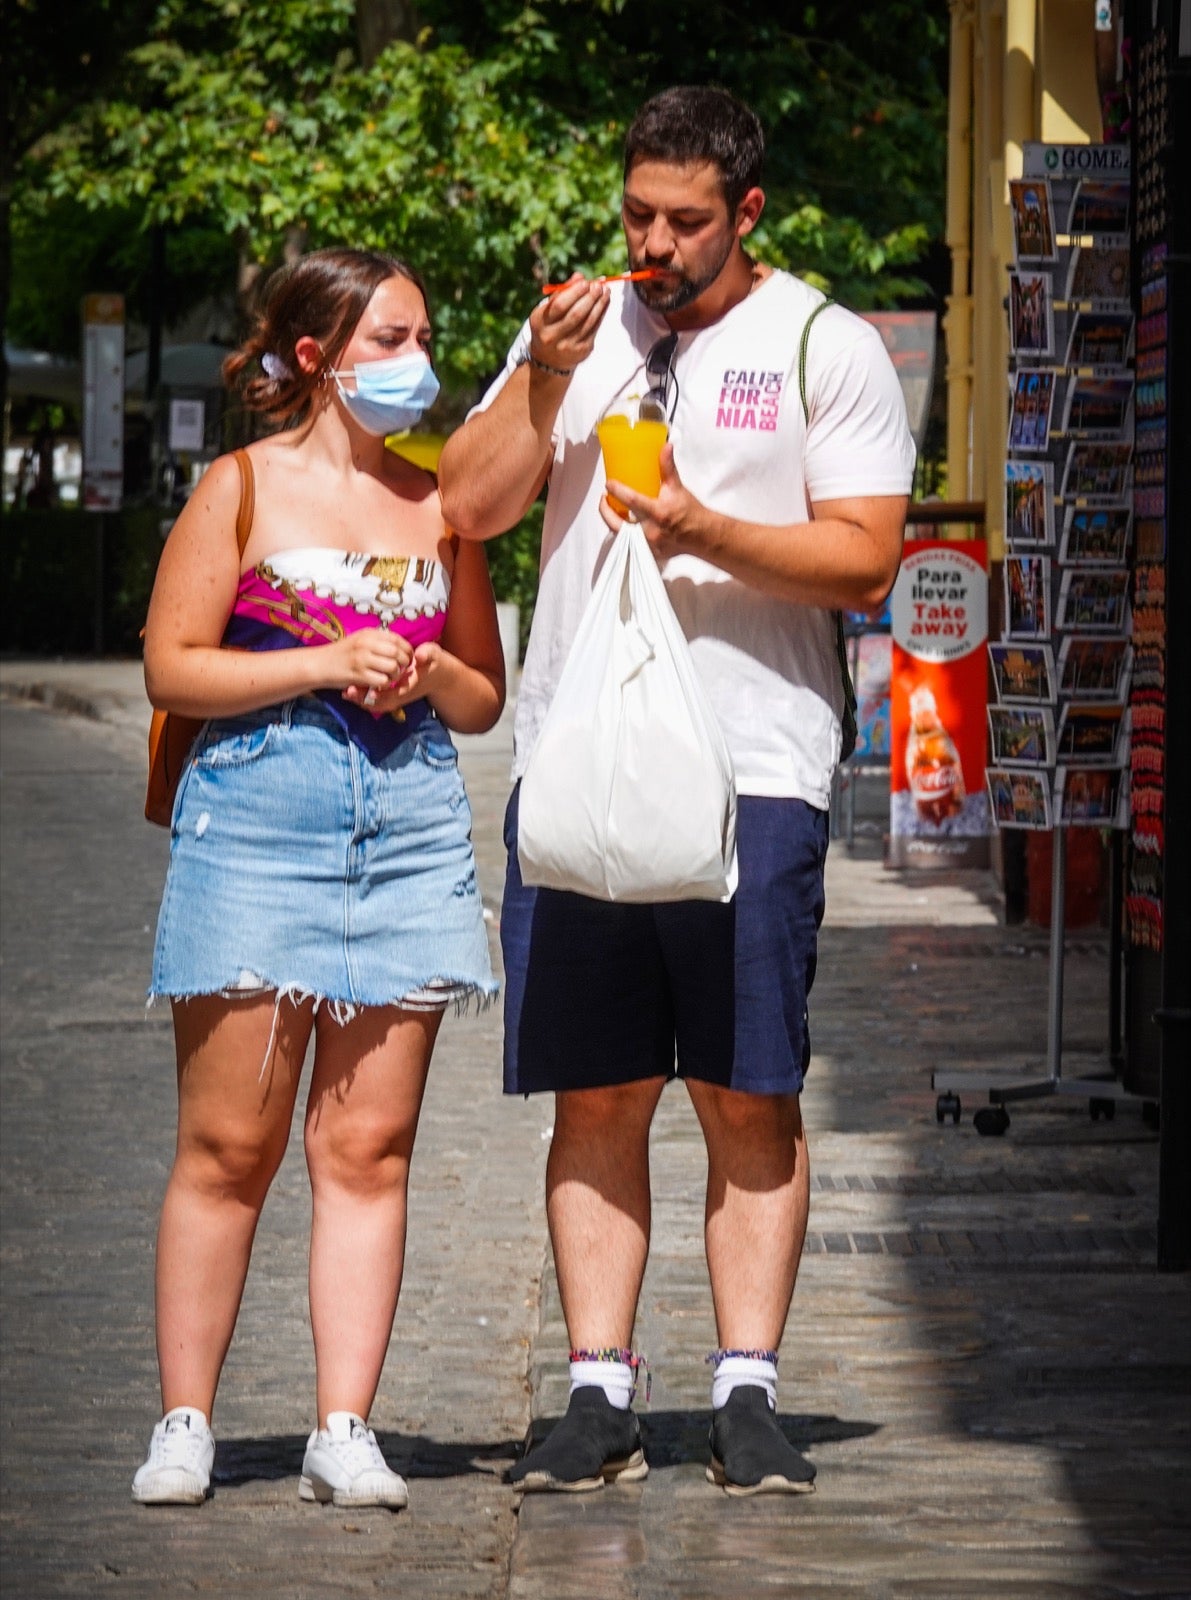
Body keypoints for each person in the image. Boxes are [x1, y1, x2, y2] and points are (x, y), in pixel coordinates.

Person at [437, 86, 913, 1496]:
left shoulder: (819, 343)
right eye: (637, 212)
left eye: (685, 221)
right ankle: (595, 1391)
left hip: (755, 765)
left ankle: (747, 1393)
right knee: (596, 1088)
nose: (653, 243)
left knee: (742, 1090)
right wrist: (534, 373)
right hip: (583, 769)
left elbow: (865, 555)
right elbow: (467, 505)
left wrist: (704, 527)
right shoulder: (574, 338)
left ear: (745, 212)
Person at [134, 248, 504, 1510]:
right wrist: (315, 661)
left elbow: (482, 689)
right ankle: (186, 1420)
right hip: (258, 818)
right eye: (392, 339)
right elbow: (173, 668)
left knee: (370, 1144)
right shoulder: (237, 490)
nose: (418, 362)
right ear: (317, 357)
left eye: (423, 334)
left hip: (403, 818)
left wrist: (418, 675)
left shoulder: (442, 501)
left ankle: (343, 1426)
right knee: (229, 1141)